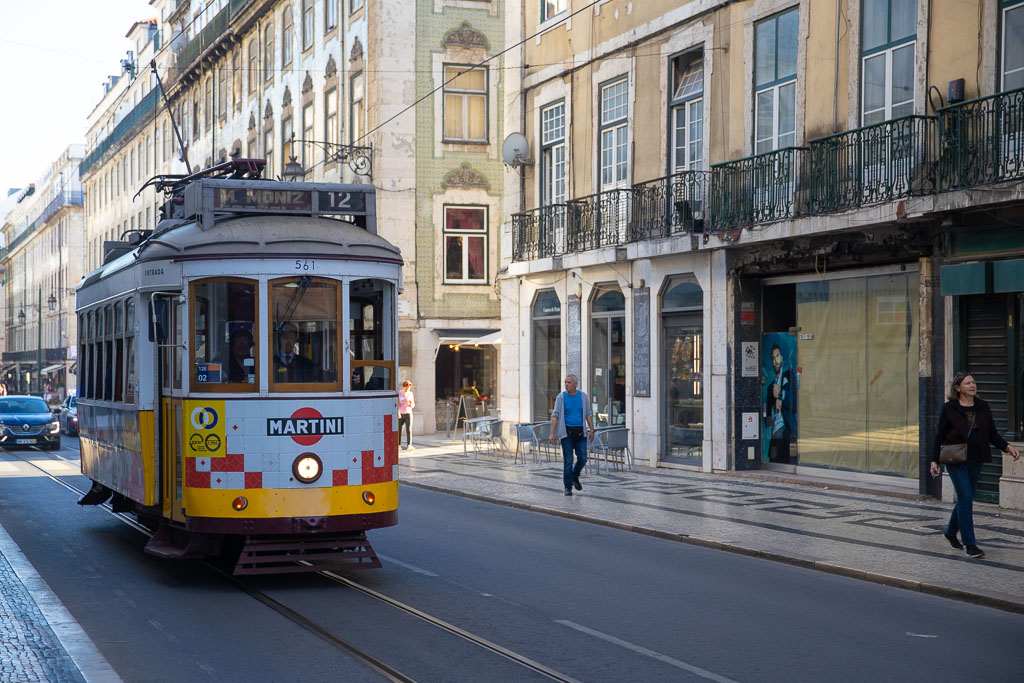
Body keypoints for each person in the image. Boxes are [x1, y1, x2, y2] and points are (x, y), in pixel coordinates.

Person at [930, 372, 1020, 558]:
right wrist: (933, 460)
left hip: (976, 458)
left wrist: (1008, 447)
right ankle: (970, 544)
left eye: (973, 382)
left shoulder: (983, 407)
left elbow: (992, 434)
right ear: (957, 388)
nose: (972, 385)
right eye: (967, 383)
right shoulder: (949, 408)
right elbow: (939, 435)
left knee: (965, 497)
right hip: (955, 458)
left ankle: (949, 532)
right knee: (966, 497)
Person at [549, 374, 595, 496]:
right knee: (568, 460)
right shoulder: (561, 397)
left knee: (583, 458)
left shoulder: (583, 397)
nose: (566, 385)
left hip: (580, 432)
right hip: (567, 433)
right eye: (565, 382)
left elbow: (588, 413)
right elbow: (555, 415)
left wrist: (592, 429)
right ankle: (568, 486)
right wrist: (552, 433)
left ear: (575, 384)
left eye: (569, 382)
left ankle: (574, 476)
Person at [764, 343, 797, 463]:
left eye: (777, 356)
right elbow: (766, 414)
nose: (775, 361)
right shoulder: (770, 387)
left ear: (782, 357)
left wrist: (781, 395)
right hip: (775, 434)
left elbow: (797, 402)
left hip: (787, 431)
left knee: (787, 460)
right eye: (773, 358)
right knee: (774, 460)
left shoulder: (790, 376)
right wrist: (770, 414)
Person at [398, 380, 415, 450]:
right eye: (407, 387)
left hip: (408, 413)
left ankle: (409, 445)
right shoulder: (399, 393)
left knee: (409, 429)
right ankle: (398, 445)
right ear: (404, 386)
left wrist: (411, 403)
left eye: (409, 388)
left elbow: (413, 405)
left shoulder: (410, 394)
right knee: (399, 430)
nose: (408, 389)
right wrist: (398, 412)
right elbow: (398, 403)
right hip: (401, 413)